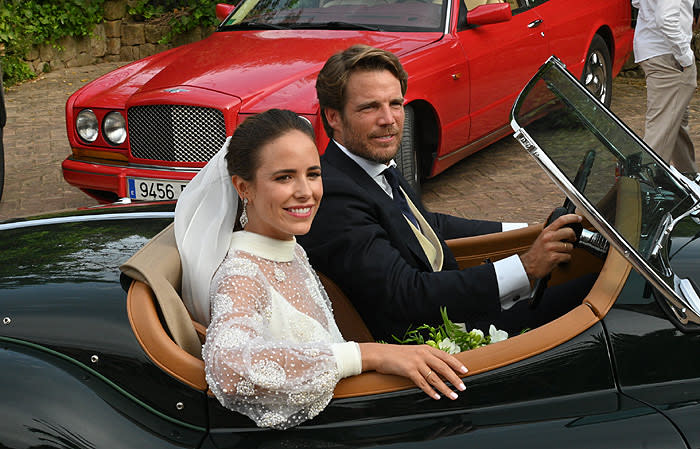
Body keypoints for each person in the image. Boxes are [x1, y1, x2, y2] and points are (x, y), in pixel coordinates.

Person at [174, 109, 468, 430]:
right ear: (244, 188)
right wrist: (368, 356)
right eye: (284, 177)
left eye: (313, 174)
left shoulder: (292, 249)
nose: (305, 191)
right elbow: (228, 367)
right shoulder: (241, 273)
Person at [298, 45, 590, 342]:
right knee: (597, 297)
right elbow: (405, 294)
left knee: (590, 286)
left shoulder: (373, 164)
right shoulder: (333, 195)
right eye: (369, 107)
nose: (389, 119)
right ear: (333, 117)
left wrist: (531, 231)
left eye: (395, 104)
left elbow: (426, 225)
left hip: (455, 313)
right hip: (428, 348)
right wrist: (526, 267)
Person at [632, 0, 697, 174]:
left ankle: (689, 179)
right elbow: (665, 18)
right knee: (661, 130)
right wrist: (684, 55)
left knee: (675, 121)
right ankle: (642, 192)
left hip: (653, 49)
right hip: (668, 55)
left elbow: (637, 2)